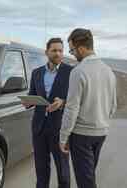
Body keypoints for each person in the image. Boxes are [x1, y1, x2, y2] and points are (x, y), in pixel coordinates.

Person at [59, 28, 117, 188]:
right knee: (89, 176)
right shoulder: (109, 71)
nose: (72, 54)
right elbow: (113, 106)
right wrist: (101, 121)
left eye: (72, 50)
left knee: (86, 182)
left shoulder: (78, 71)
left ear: (81, 48)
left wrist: (63, 137)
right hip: (101, 133)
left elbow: (71, 109)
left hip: (81, 136)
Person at [22, 38, 73, 188]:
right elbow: (32, 95)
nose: (58, 53)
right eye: (54, 50)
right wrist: (28, 102)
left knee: (63, 170)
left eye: (60, 50)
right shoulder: (36, 73)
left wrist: (62, 102)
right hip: (39, 128)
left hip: (60, 128)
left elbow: (77, 99)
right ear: (47, 52)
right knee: (41, 169)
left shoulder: (71, 72)